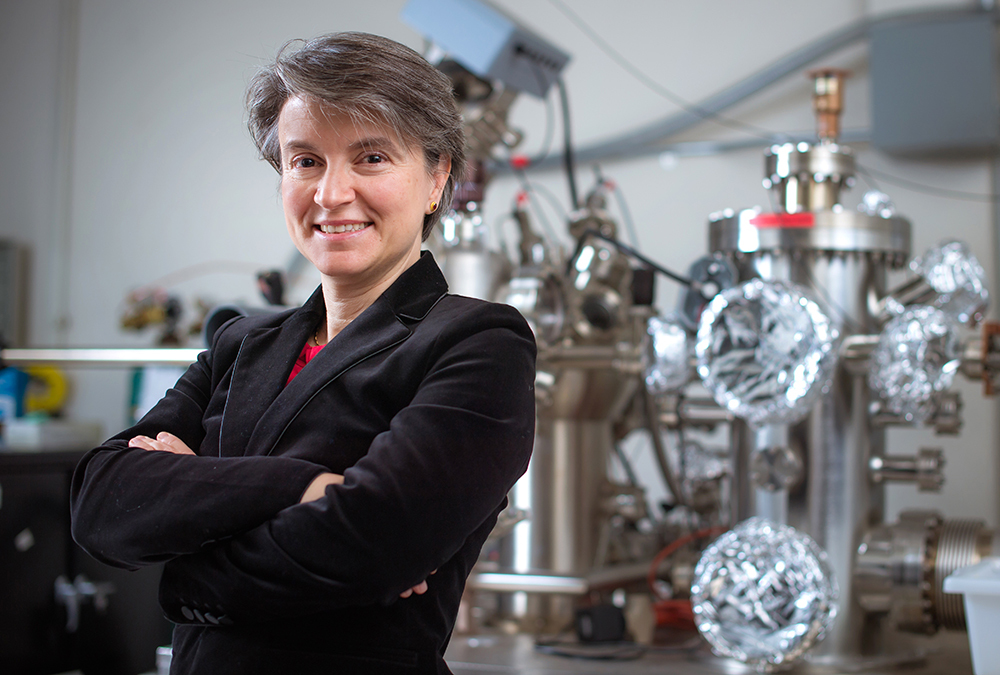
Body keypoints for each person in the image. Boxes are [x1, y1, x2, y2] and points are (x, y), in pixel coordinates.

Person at [70, 32, 536, 674]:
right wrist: (304, 485)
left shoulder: (477, 344)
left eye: (371, 158)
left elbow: (376, 541)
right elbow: (100, 502)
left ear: (437, 177)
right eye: (305, 160)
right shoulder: (242, 343)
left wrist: (184, 577)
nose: (331, 193)